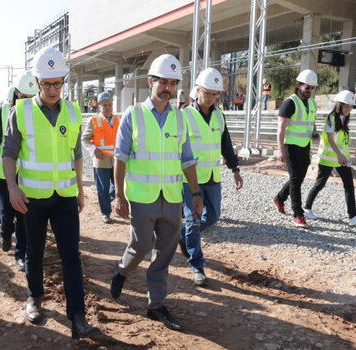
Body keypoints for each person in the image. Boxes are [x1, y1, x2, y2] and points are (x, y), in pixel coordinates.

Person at [2, 47, 100, 340]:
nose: (53, 89)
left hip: (65, 197)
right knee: (35, 252)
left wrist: (81, 189)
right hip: (32, 197)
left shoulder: (73, 110)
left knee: (71, 255)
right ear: (36, 81)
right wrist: (12, 187)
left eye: (58, 83)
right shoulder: (20, 111)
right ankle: (34, 297)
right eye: (47, 84)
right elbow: (8, 152)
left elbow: (76, 152)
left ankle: (78, 317)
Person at [109, 54, 203, 331]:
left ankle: (157, 305)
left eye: (173, 83)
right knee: (140, 247)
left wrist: (196, 194)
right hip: (141, 196)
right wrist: (119, 195)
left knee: (164, 254)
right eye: (163, 82)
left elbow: (187, 159)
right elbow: (120, 157)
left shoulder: (180, 118)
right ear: (151, 82)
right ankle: (122, 271)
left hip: (172, 196)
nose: (168, 88)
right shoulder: (133, 115)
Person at [178, 68, 243, 287]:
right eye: (208, 93)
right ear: (197, 91)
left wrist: (235, 170)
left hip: (213, 177)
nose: (212, 98)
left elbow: (226, 145)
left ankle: (182, 235)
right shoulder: (184, 116)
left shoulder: (219, 115)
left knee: (213, 217)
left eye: (216, 94)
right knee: (194, 220)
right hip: (191, 179)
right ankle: (197, 265)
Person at [0, 70, 39, 271]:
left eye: (32, 97)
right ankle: (6, 235)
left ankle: (21, 254)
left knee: (24, 215)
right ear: (16, 94)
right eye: (24, 97)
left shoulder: (39, 111)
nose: (28, 101)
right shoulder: (2, 113)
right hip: (3, 173)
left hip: (27, 174)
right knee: (7, 213)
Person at [302, 90, 356, 226]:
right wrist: (340, 155)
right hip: (328, 158)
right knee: (320, 183)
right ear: (339, 105)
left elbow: (342, 142)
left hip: (341, 159)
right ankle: (307, 208)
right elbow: (330, 139)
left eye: (351, 107)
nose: (349, 110)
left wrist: (345, 157)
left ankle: (353, 216)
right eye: (346, 107)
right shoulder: (332, 118)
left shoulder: (344, 119)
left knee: (349, 186)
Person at [272, 69, 320, 227]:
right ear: (298, 85)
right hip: (290, 146)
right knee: (295, 180)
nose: (310, 91)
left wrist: (314, 133)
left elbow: (310, 122)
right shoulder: (289, 103)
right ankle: (298, 214)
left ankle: (279, 198)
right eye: (307, 87)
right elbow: (281, 128)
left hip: (305, 146)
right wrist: (280, 150)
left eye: (312, 88)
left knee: (298, 179)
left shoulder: (311, 103)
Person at [81, 91, 119, 224]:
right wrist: (94, 150)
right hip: (100, 160)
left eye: (109, 104)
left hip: (116, 160)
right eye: (105, 105)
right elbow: (85, 139)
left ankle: (105, 200)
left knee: (118, 186)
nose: (108, 107)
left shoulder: (118, 120)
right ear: (99, 106)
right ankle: (106, 213)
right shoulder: (94, 120)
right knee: (102, 188)